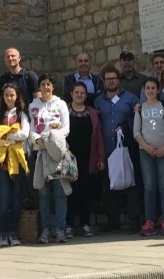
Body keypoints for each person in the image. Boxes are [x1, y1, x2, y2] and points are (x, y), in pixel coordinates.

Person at [93, 64, 141, 233]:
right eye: (108, 79)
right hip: (107, 149)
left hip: (127, 149)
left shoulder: (131, 98)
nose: (111, 82)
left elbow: (138, 119)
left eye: (114, 78)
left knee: (131, 185)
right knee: (109, 186)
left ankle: (134, 220)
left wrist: (125, 127)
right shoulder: (98, 101)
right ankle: (112, 221)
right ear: (103, 81)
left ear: (119, 80)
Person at [0, 83, 30, 247]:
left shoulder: (22, 115)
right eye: (6, 95)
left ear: (17, 96)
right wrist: (12, 136)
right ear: (3, 97)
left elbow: (24, 134)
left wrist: (5, 135)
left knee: (17, 199)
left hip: (17, 161)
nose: (9, 98)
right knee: (5, 198)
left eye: (12, 95)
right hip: (2, 162)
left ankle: (13, 233)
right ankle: (3, 234)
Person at [29, 74, 71, 243]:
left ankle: (60, 229)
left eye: (48, 84)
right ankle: (46, 229)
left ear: (53, 87)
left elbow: (66, 128)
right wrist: (37, 140)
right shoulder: (33, 105)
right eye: (43, 84)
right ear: (39, 87)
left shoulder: (61, 104)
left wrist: (55, 134)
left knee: (60, 191)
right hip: (40, 151)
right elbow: (31, 129)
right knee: (43, 192)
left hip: (56, 152)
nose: (46, 87)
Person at [134, 77, 164, 235]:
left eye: (153, 88)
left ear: (158, 90)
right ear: (144, 90)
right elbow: (136, 132)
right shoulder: (140, 109)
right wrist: (146, 147)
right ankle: (149, 220)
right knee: (149, 186)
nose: (150, 91)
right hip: (146, 151)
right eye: (147, 88)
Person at [66, 81, 105, 237]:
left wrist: (101, 158)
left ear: (86, 95)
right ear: (71, 94)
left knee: (86, 192)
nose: (79, 95)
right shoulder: (64, 111)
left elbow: (99, 138)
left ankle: (85, 224)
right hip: (68, 159)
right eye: (77, 92)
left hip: (88, 158)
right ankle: (68, 225)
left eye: (82, 93)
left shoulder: (93, 114)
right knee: (69, 192)